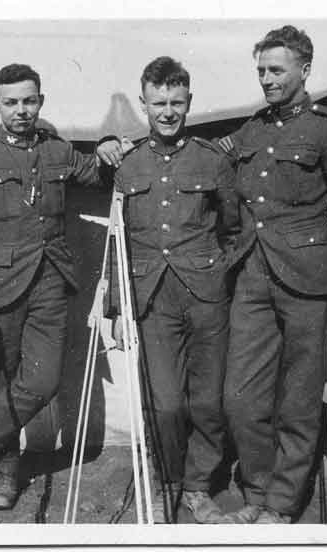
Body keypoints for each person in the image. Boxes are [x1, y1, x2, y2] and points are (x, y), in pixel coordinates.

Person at [0, 63, 126, 510]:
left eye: (29, 101)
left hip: (51, 283)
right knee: (0, 381)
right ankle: (4, 475)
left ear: (41, 101)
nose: (21, 110)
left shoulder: (58, 152)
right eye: (11, 102)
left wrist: (107, 147)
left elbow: (100, 175)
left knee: (42, 381)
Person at [218, 26, 327, 523]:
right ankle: (257, 491)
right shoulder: (251, 129)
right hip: (251, 277)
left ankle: (283, 504)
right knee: (240, 399)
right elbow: (204, 157)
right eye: (261, 70)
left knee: (299, 400)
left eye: (276, 70)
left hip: (310, 282)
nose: (266, 79)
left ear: (304, 70)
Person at [108, 56, 239, 524]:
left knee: (208, 399)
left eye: (176, 102)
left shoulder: (212, 160)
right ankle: (166, 480)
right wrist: (119, 308)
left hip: (205, 294)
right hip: (152, 298)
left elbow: (233, 226)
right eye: (158, 102)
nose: (167, 112)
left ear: (189, 102)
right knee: (165, 403)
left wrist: (218, 272)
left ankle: (198, 487)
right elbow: (115, 241)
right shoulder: (127, 165)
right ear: (143, 103)